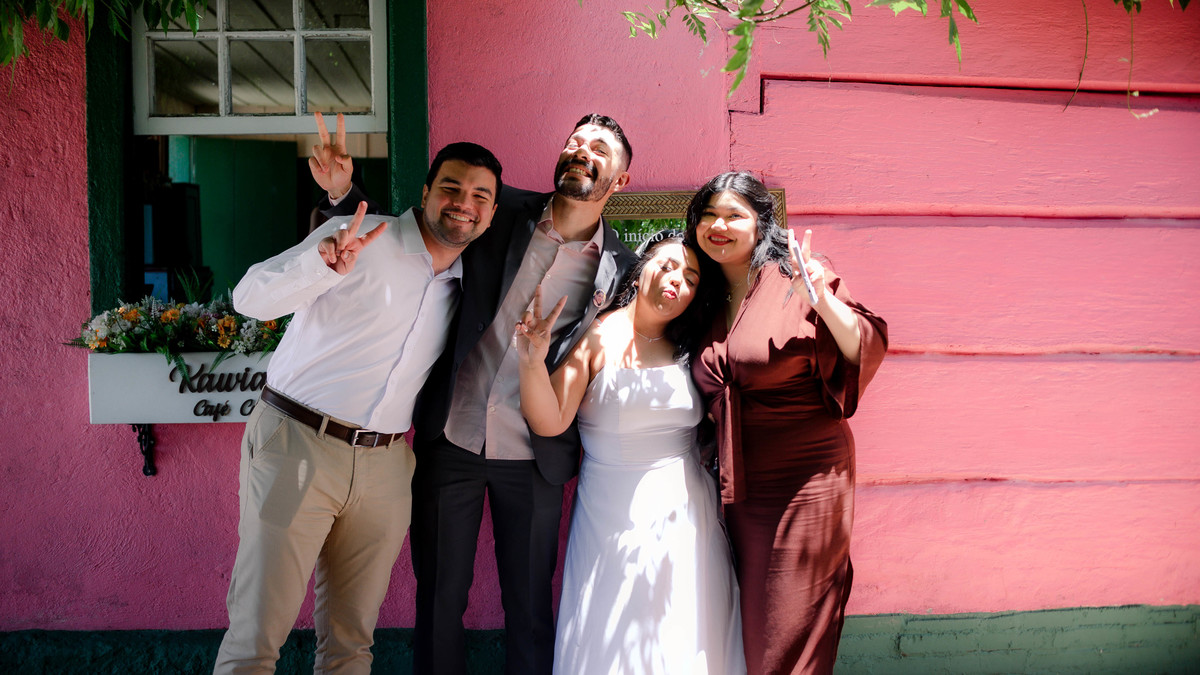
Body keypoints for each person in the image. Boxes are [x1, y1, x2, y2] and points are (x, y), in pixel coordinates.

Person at [321, 114, 638, 675]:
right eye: (574, 141)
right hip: (452, 438)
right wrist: (343, 196)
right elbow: (407, 234)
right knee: (439, 602)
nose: (581, 151)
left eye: (598, 149)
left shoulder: (622, 270)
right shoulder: (498, 209)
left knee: (530, 608)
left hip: (537, 455)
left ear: (621, 179)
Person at [212, 136, 503, 675]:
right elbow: (249, 299)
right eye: (451, 187)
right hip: (298, 442)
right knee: (256, 635)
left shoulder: (468, 283)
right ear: (425, 193)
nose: (464, 203)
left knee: (351, 644)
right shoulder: (358, 237)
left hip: (386, 465)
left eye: (480, 196)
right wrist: (320, 266)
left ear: (492, 212)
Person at [515, 231, 746, 675]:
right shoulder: (599, 336)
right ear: (640, 272)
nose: (678, 280)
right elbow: (551, 420)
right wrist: (531, 362)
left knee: (685, 629)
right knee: (614, 628)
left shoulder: (691, 346)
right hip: (611, 513)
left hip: (687, 513)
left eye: (692, 278)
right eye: (667, 266)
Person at [684, 172, 888, 675]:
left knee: (789, 627)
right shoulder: (703, 295)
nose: (718, 226)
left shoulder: (795, 277)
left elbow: (865, 342)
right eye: (708, 215)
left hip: (807, 478)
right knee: (753, 622)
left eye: (734, 215)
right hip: (740, 486)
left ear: (762, 223)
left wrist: (823, 302)